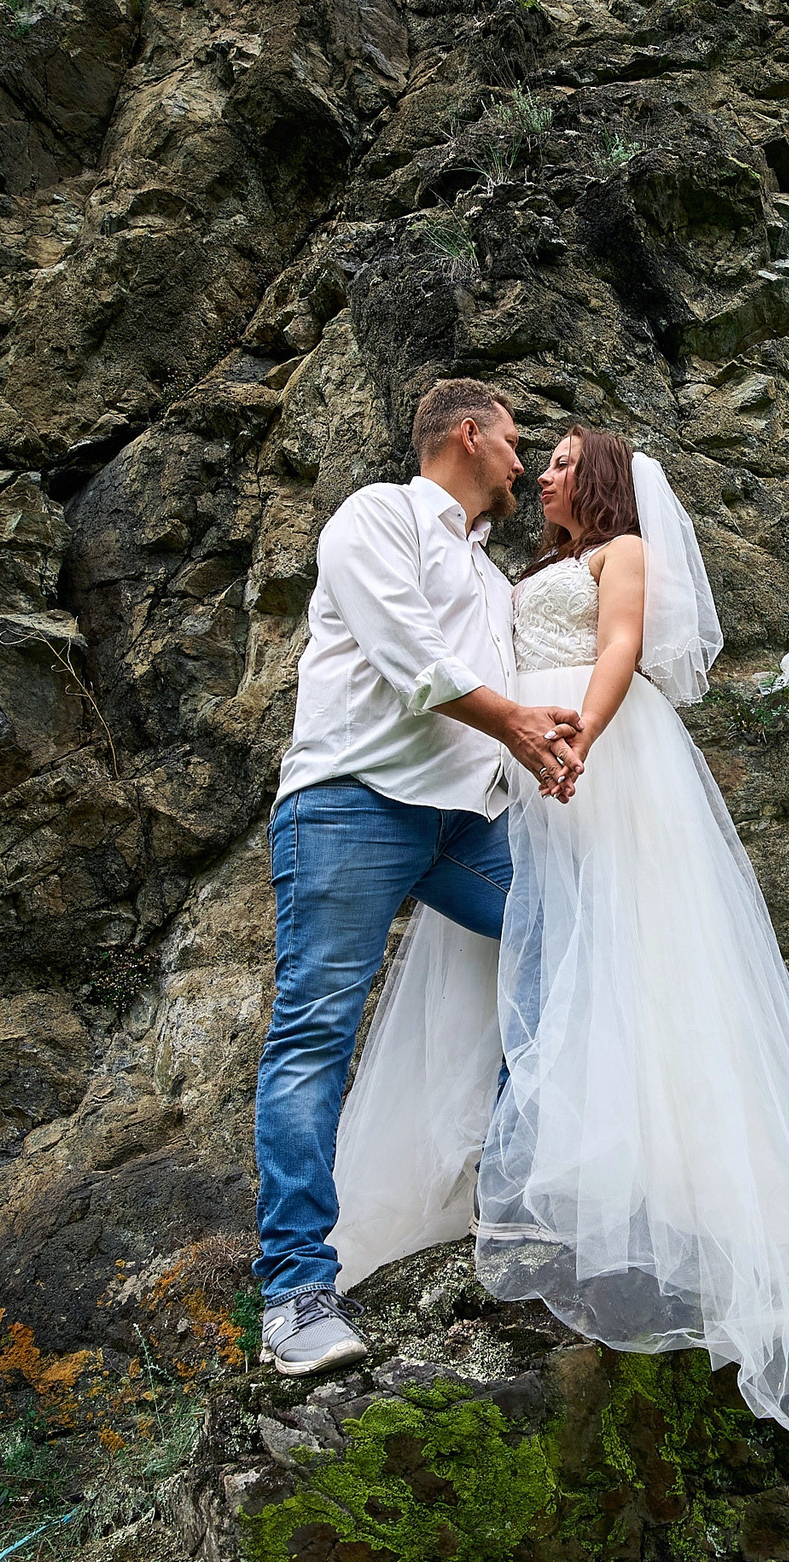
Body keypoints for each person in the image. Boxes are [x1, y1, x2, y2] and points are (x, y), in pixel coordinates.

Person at [337, 425, 789, 1526]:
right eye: (533, 457)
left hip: (595, 762)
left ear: (601, 481)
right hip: (514, 773)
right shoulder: (527, 570)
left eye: (561, 460)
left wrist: (572, 738)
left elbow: (621, 650)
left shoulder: (614, 556)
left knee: (619, 956)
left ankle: (659, 1186)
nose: (541, 470)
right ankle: (498, 1160)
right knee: (513, 963)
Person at [250, 380, 581, 1378]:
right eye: (515, 444)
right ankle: (295, 1291)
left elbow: (513, 689)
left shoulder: (488, 578)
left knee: (569, 931)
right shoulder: (376, 515)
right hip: (348, 803)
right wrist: (518, 728)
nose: (523, 464)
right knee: (315, 1028)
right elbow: (408, 657)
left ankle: (509, 1191)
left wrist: (553, 745)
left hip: (456, 823)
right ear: (468, 436)